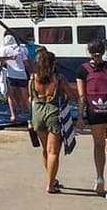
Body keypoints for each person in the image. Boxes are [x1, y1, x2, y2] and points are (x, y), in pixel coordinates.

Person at [30, 49, 74, 194]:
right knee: (53, 152)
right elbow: (71, 95)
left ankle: (51, 179)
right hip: (53, 112)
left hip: (37, 113)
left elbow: (30, 97)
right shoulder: (59, 78)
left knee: (45, 150)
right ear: (52, 63)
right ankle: (50, 185)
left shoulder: (33, 78)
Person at [76, 39, 107, 199]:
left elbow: (82, 96)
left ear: (88, 52)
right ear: (104, 50)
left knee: (98, 146)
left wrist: (79, 117)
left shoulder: (82, 69)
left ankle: (99, 177)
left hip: (94, 112)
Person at [1, 34, 29, 122]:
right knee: (24, 95)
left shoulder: (4, 49)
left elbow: (2, 60)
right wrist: (31, 72)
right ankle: (24, 112)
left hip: (11, 75)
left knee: (10, 95)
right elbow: (26, 62)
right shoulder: (20, 49)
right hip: (22, 74)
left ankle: (13, 115)